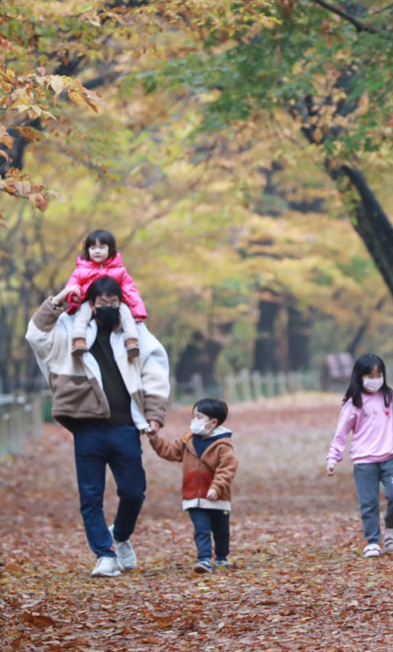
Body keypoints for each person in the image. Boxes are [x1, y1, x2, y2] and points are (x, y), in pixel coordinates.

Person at [25, 276, 170, 577]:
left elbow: (155, 370)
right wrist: (59, 299)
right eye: (101, 302)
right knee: (90, 496)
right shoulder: (68, 330)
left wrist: (155, 414)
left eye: (113, 302)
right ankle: (104, 554)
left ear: (121, 303)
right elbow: (36, 337)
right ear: (91, 303)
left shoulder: (136, 334)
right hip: (86, 427)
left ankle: (120, 536)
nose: (107, 307)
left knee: (134, 492)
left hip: (125, 426)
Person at [326, 354, 393, 558]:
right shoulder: (353, 404)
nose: (376, 379)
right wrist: (333, 458)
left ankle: (391, 524)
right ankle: (372, 540)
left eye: (379, 374)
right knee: (369, 502)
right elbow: (341, 434)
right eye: (371, 375)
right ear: (360, 376)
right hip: (364, 461)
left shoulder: (388, 396)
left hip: (390, 457)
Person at [147, 398, 238, 574]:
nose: (194, 421)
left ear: (213, 423)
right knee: (201, 529)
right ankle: (204, 559)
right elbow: (171, 452)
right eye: (193, 416)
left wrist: (216, 487)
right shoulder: (187, 439)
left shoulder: (223, 445)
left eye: (199, 417)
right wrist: (155, 440)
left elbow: (227, 468)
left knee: (221, 531)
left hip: (217, 497)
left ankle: (221, 558)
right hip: (193, 496)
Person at [50, 229, 148, 359]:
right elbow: (72, 285)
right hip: (89, 302)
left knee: (125, 312)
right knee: (82, 314)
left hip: (113, 303)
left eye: (102, 247)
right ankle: (79, 339)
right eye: (93, 248)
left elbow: (130, 290)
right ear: (87, 250)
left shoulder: (119, 270)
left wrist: (138, 309)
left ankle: (131, 340)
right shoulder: (82, 270)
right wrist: (72, 297)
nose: (97, 251)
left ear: (110, 250)